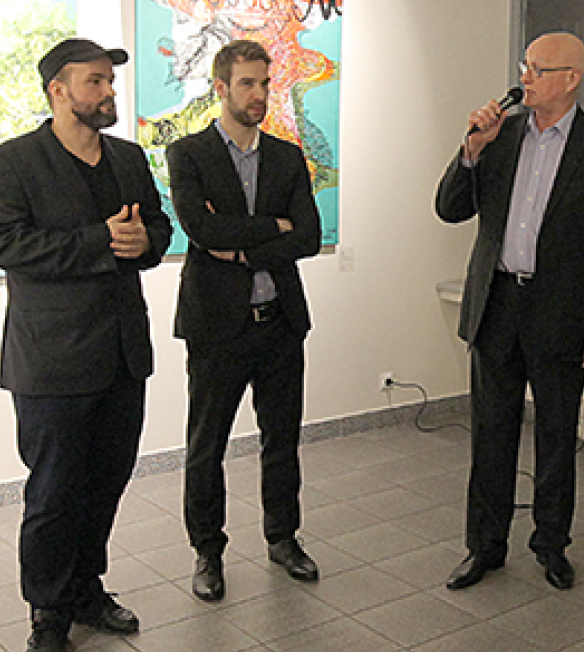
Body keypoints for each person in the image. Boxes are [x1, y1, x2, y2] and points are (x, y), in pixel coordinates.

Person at [0, 38, 172, 652]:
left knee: (107, 483)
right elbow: (8, 246)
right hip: (52, 363)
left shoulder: (128, 158)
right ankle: (49, 612)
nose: (109, 91)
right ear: (58, 91)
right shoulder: (12, 162)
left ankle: (87, 589)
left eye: (110, 81)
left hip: (122, 357)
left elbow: (158, 227)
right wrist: (99, 241)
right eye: (95, 81)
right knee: (54, 494)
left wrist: (148, 243)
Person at [434, 31, 584, 591]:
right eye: (525, 66)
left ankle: (551, 544)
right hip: (497, 305)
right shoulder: (500, 136)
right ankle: (484, 547)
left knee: (555, 437)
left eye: (538, 70)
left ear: (571, 79)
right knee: (490, 435)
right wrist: (470, 151)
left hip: (562, 314)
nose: (524, 78)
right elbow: (449, 209)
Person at [164, 39, 323, 603]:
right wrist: (273, 227)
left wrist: (240, 246)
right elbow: (201, 230)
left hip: (280, 321)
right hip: (216, 325)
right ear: (222, 87)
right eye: (248, 83)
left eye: (264, 82)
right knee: (206, 445)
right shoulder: (188, 154)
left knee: (282, 439)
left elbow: (309, 235)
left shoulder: (286, 157)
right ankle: (207, 551)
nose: (259, 94)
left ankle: (283, 537)